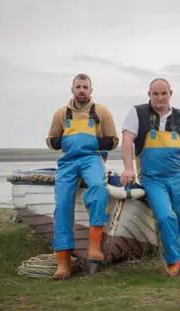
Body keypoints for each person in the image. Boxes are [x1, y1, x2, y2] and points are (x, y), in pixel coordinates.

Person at [119, 78, 180, 277]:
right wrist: (128, 168)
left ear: (170, 93)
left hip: (178, 175)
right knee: (165, 217)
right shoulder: (137, 113)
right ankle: (176, 260)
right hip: (152, 179)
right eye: (155, 94)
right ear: (149, 95)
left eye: (163, 93)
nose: (159, 98)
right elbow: (127, 140)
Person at [46, 73, 119, 280]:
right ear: (72, 90)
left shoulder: (101, 112)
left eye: (85, 87)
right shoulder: (61, 114)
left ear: (91, 90)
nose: (82, 91)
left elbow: (113, 141)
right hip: (68, 162)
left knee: (98, 187)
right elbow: (51, 141)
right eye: (78, 87)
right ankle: (63, 262)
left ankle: (94, 246)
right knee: (62, 205)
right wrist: (65, 142)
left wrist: (94, 143)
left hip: (91, 159)